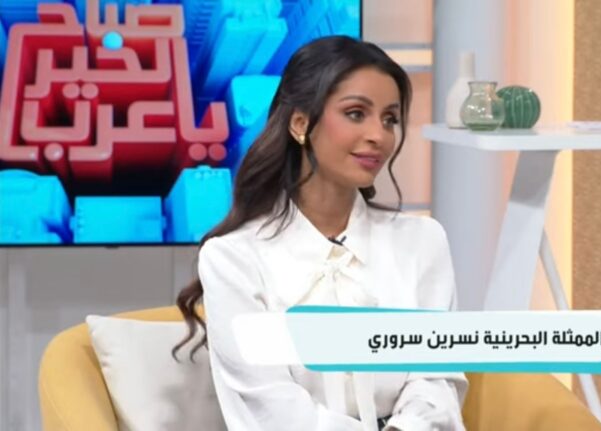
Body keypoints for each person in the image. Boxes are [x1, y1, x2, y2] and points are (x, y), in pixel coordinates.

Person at [173, 35, 467, 431]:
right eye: (356, 113)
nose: (379, 135)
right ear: (300, 123)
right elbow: (271, 408)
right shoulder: (233, 258)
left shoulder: (423, 241)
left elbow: (438, 379)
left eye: (390, 119)